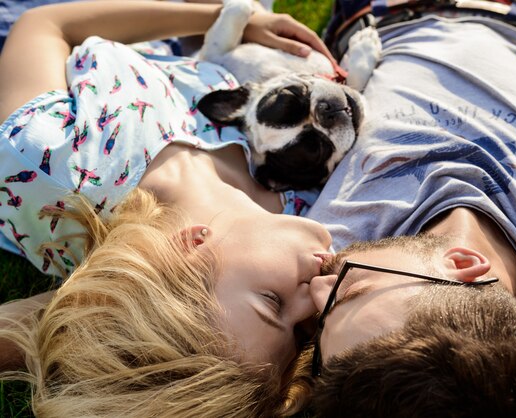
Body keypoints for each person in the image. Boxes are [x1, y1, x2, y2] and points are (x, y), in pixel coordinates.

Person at [289, 0, 516, 416]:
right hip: (515, 19)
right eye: (350, 292)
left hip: (379, 21)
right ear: (461, 263)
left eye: (319, 325)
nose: (314, 292)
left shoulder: (326, 241)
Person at [0, 1, 337, 416]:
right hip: (183, 50)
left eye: (272, 302)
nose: (315, 301)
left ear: (190, 247)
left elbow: (48, 25)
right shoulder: (300, 196)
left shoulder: (54, 163)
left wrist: (229, 18)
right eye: (301, 331)